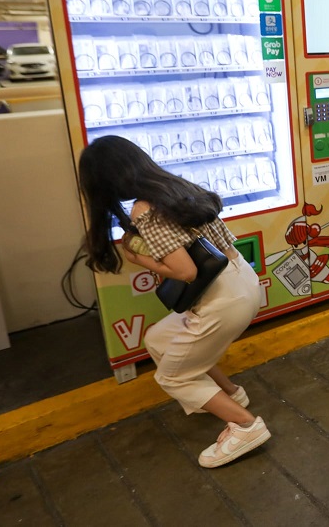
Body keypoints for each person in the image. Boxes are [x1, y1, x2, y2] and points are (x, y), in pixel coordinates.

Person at [78, 135, 270, 468]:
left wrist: (140, 260)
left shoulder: (145, 208)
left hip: (221, 299)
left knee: (172, 376)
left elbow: (185, 271)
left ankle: (245, 425)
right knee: (160, 339)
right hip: (241, 280)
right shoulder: (174, 185)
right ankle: (231, 394)